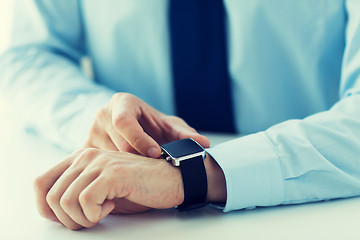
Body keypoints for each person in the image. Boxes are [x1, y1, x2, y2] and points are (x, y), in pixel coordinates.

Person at [1, 0, 360, 231]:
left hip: (313, 213)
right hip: (133, 212)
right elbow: (30, 53)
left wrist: (189, 176)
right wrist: (103, 124)